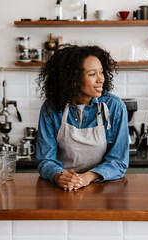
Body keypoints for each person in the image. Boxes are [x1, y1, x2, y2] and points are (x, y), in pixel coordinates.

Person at [36, 44, 129, 191]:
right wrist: (58, 176)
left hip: (102, 189)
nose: (101, 79)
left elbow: (118, 162)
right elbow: (45, 159)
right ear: (73, 80)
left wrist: (86, 177)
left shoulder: (115, 107)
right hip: (63, 188)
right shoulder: (51, 108)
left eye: (101, 72)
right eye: (92, 74)